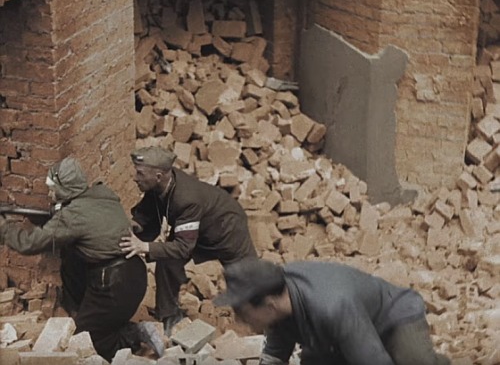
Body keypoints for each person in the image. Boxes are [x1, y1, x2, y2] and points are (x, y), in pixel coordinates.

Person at [0, 157, 164, 362]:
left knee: (85, 341)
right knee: (70, 257)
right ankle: (100, 320)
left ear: (67, 189)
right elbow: (80, 223)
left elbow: (29, 244)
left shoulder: (72, 216)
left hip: (114, 284)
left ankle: (134, 335)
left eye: (53, 189)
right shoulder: (101, 196)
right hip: (132, 275)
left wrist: (5, 227)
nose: (50, 194)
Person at [120, 146, 257, 335]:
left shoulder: (185, 199)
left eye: (140, 173)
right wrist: (134, 227)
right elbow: (148, 214)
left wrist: (144, 246)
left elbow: (184, 247)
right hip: (196, 227)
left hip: (226, 228)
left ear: (158, 176)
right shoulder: (159, 185)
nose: (135, 177)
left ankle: (268, 323)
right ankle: (169, 316)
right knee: (166, 260)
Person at [214, 258, 451, 365]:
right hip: (339, 335)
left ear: (268, 306)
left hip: (391, 317)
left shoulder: (332, 306)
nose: (239, 320)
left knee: (412, 361)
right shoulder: (277, 301)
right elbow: (275, 357)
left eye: (242, 311)